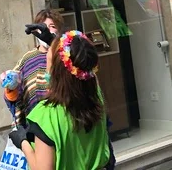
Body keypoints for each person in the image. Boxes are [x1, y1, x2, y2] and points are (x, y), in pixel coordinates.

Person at [9, 31, 112, 170]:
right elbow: (83, 66)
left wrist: (23, 143)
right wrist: (59, 43)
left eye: (47, 62)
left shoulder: (46, 116)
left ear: (56, 72)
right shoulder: (96, 97)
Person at [1, 10, 63, 122]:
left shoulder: (64, 55)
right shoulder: (27, 59)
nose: (47, 30)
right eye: (43, 27)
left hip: (60, 119)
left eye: (52, 26)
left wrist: (54, 44)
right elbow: (15, 97)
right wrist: (10, 88)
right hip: (34, 122)